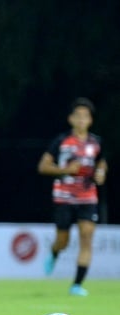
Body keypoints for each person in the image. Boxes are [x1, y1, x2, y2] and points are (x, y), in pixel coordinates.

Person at [38, 97, 107, 296]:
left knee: (86, 236)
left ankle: (76, 284)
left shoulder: (96, 142)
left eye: (85, 116)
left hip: (87, 197)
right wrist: (66, 170)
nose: (81, 120)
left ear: (90, 120)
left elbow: (101, 163)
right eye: (78, 116)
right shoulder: (61, 141)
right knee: (63, 240)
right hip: (64, 198)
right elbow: (43, 166)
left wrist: (101, 173)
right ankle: (55, 252)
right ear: (71, 119)